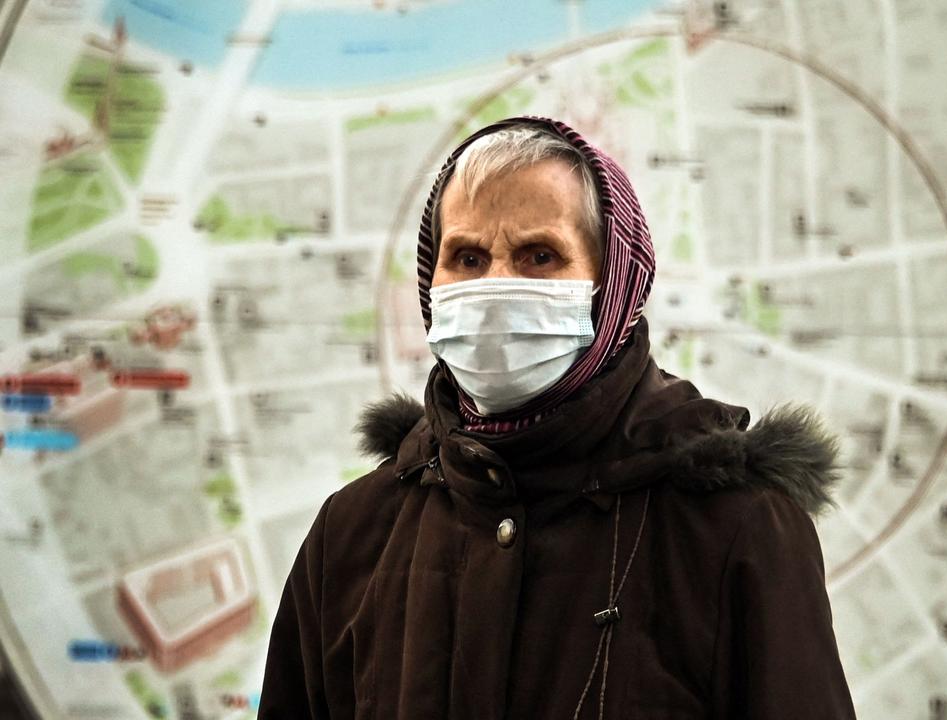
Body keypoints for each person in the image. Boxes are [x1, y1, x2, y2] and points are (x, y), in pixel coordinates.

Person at [259, 115, 857, 719]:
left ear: (615, 283)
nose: (494, 288)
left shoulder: (737, 530)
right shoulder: (354, 533)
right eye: (466, 257)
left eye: (539, 255)